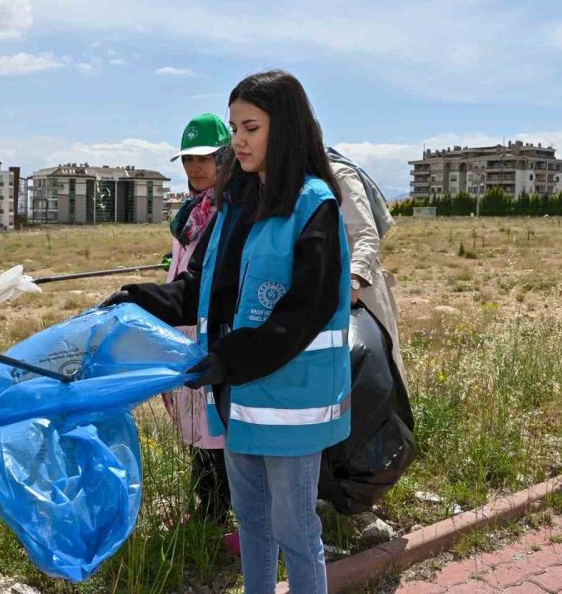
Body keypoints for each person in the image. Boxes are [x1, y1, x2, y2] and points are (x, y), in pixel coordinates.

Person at [104, 70, 351, 594]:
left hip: (291, 403)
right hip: (237, 395)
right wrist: (142, 297)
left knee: (296, 530)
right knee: (254, 526)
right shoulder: (236, 204)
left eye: (251, 127)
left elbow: (302, 313)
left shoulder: (314, 206)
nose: (237, 140)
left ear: (285, 130)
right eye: (235, 126)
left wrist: (230, 357)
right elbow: (204, 289)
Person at [163, 113, 234, 530]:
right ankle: (207, 508)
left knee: (215, 429)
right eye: (189, 159)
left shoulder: (230, 209)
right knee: (194, 426)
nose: (196, 167)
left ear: (225, 157)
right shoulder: (190, 212)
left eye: (205, 158)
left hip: (212, 331)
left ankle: (214, 516)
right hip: (184, 330)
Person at [326, 147, 407, 382]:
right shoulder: (291, 181)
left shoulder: (338, 175)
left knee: (380, 367)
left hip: (361, 291)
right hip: (326, 294)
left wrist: (354, 280)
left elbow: (366, 233)